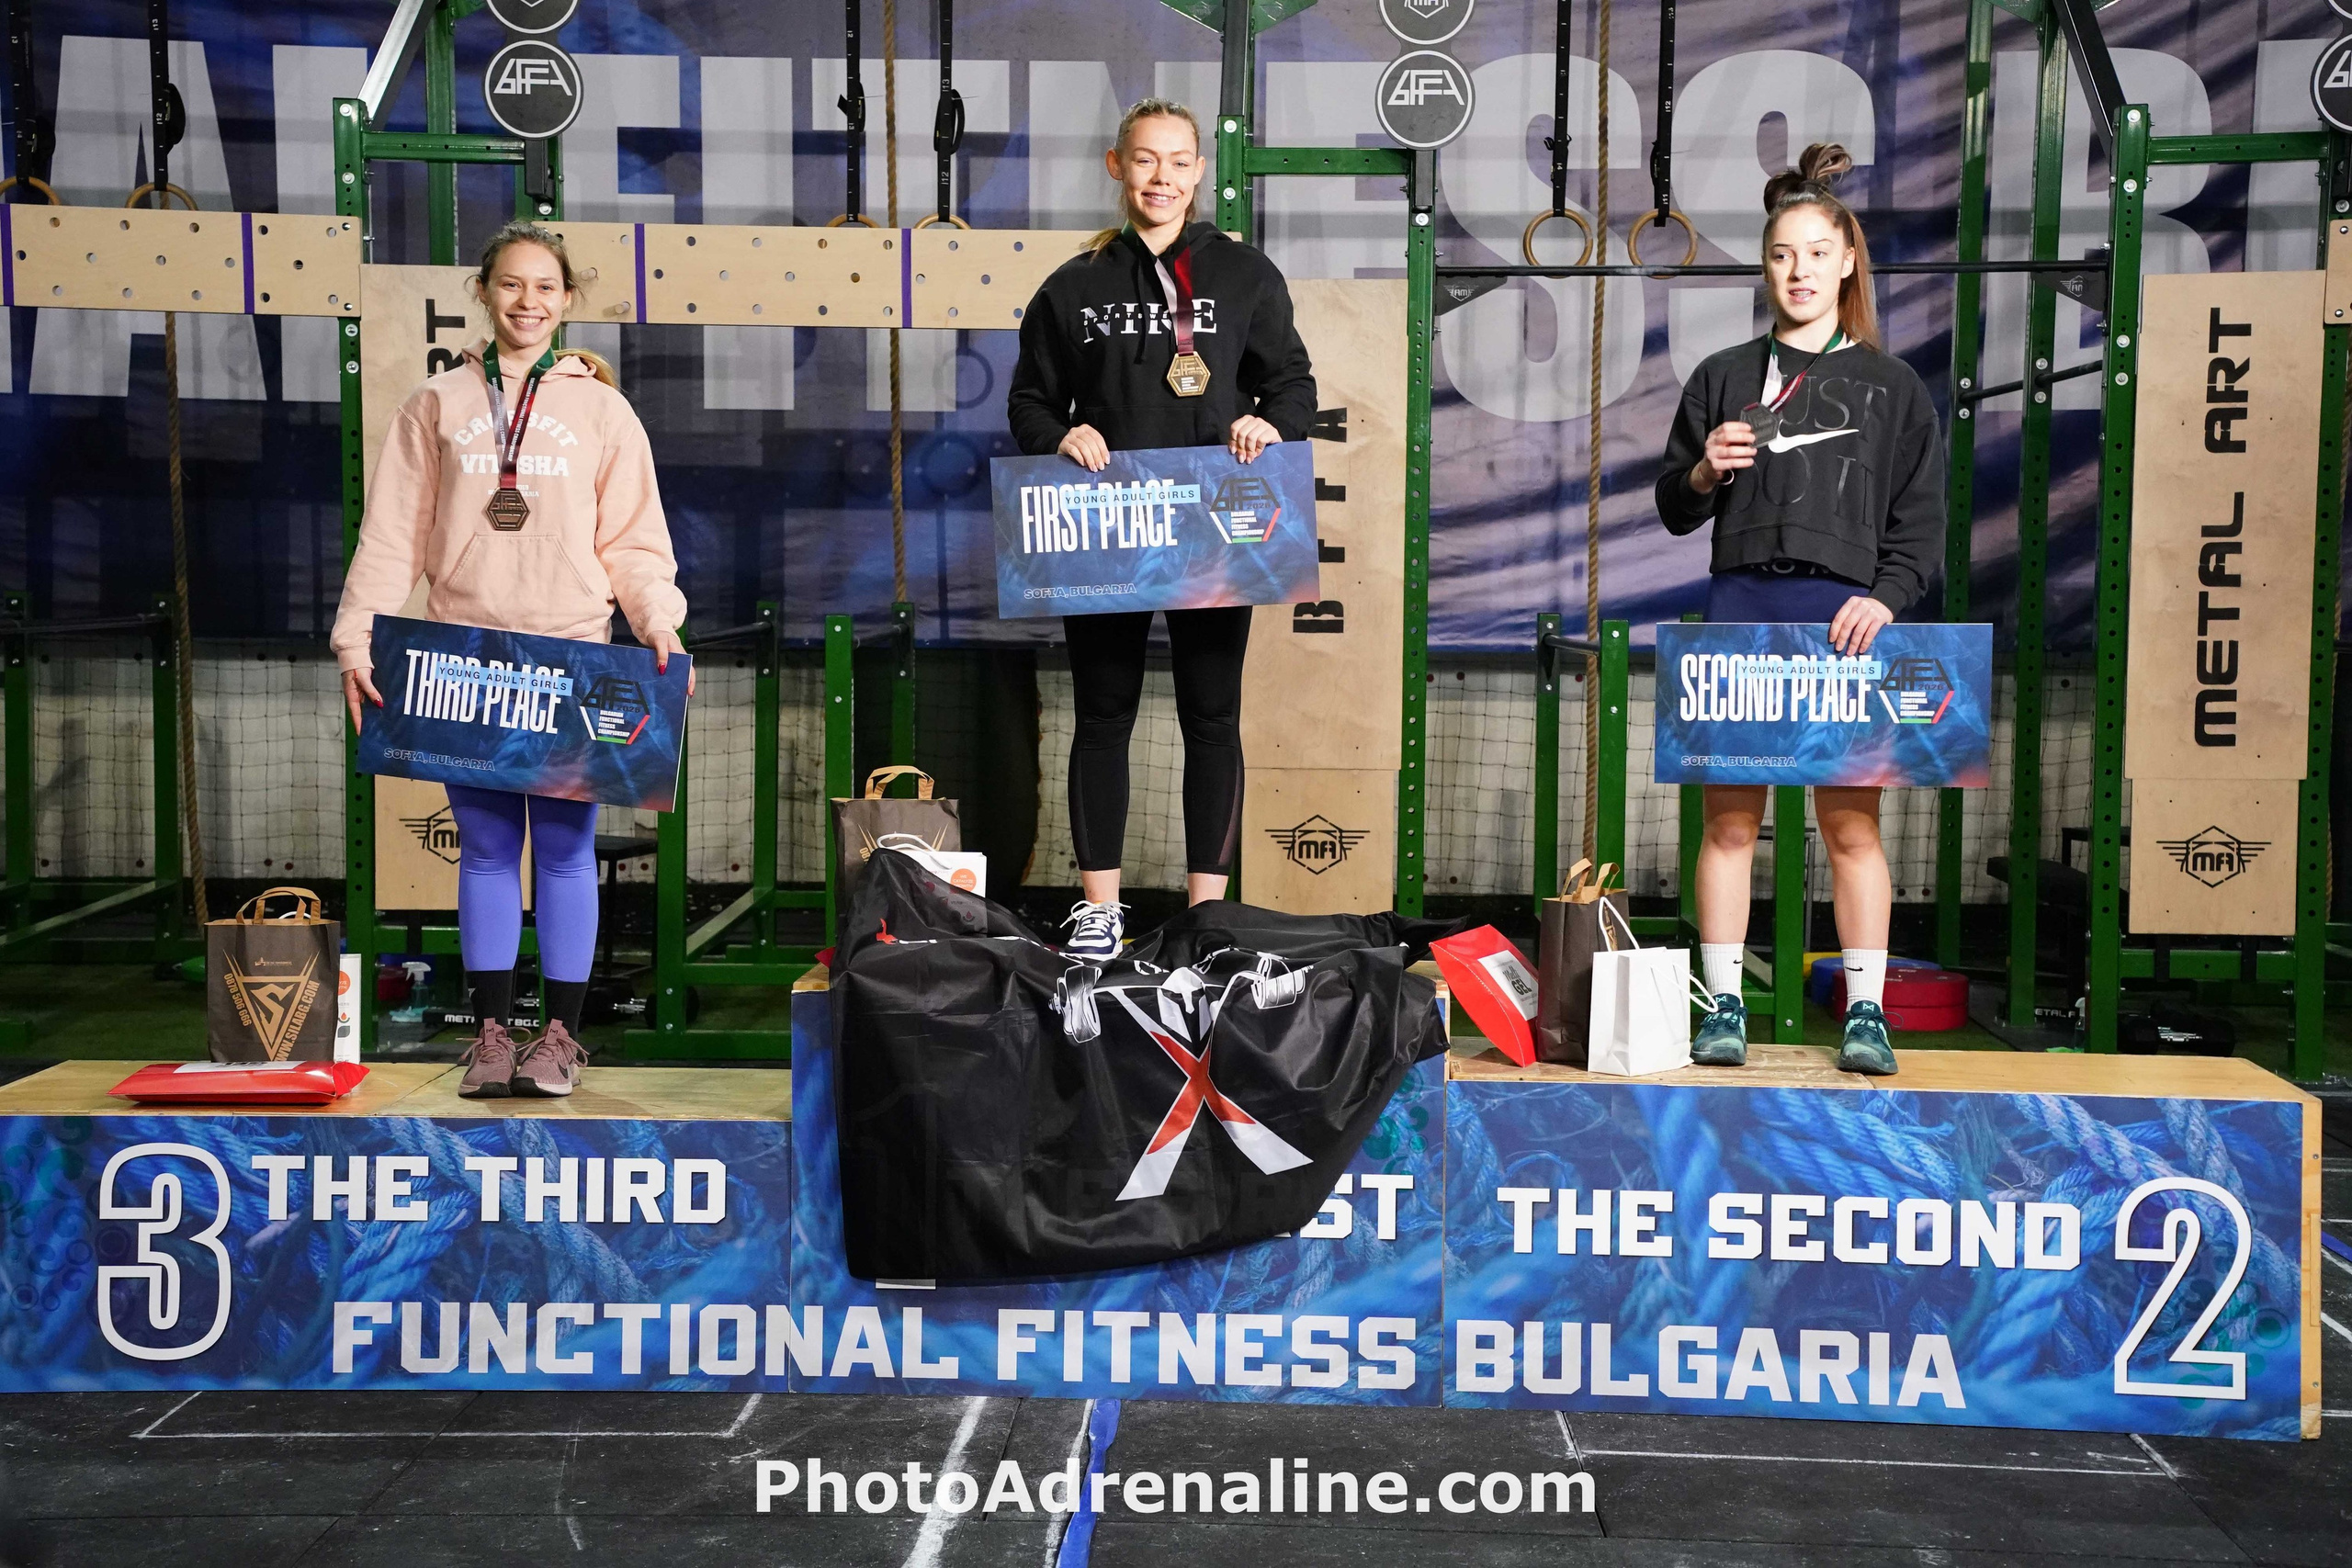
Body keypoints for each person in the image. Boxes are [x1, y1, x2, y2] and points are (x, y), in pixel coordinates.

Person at [332, 221, 690, 1099]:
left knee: (565, 851)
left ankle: (561, 1036)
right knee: (487, 851)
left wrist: (658, 620)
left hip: (571, 658)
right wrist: (356, 638)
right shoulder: (438, 403)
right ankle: (491, 1032)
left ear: (567, 301)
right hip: (464, 658)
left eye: (545, 288)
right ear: (485, 293)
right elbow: (392, 537)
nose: (528, 302)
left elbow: (634, 543)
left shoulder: (604, 410)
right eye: (511, 285)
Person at [1653, 143, 1945, 1076]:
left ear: (1848, 261)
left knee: (1850, 826)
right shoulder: (1722, 374)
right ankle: (1722, 1002)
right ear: (1765, 265)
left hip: (1842, 621)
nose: (1799, 271)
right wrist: (1703, 470)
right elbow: (1672, 505)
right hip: (1740, 604)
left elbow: (1920, 527)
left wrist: (1884, 600)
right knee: (1729, 824)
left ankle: (1866, 1013)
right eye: (1782, 254)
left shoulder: (1892, 388)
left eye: (1818, 253)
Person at [1008, 97, 1317, 960]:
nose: (1163, 178)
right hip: (1108, 526)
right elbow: (1029, 402)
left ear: (1199, 173)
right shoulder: (1074, 286)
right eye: (1146, 160)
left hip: (1216, 526)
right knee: (1102, 718)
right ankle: (1100, 909)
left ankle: (1207, 916)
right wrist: (1060, 434)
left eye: (1179, 162)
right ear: (1117, 167)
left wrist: (1269, 425)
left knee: (1211, 719)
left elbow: (1293, 386)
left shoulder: (1246, 274)